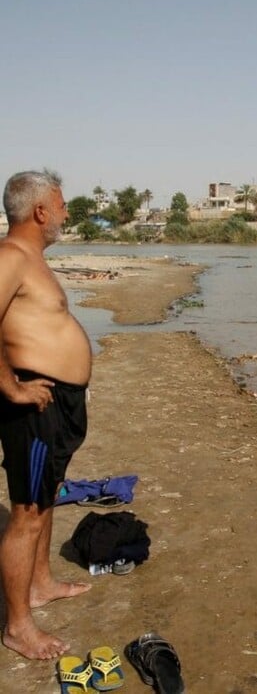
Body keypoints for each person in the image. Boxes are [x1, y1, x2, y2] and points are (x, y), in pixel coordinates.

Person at [0, 170, 92, 659]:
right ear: (39, 212)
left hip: (58, 402)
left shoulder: (33, 260)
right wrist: (9, 387)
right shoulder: (11, 257)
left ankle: (39, 584)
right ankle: (18, 626)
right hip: (33, 406)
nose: (64, 213)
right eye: (60, 205)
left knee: (47, 495)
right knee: (27, 513)